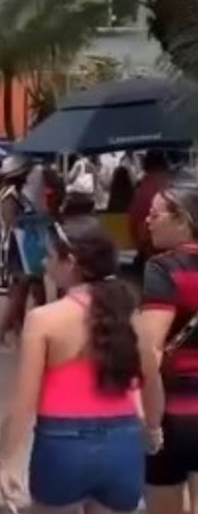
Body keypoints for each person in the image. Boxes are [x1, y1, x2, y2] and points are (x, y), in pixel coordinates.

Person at [0, 217, 164, 514]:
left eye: (49, 256)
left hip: (63, 446)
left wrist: (4, 459)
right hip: (123, 445)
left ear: (70, 262)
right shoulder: (131, 317)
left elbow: (23, 402)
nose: (45, 264)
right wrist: (152, 429)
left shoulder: (44, 320)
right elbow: (151, 381)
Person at [138, 178, 198, 514]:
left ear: (183, 219)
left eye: (155, 214)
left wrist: (152, 421)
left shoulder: (164, 268)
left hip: (176, 415)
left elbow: (149, 351)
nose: (147, 221)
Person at [0, 155, 49, 351]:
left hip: (21, 246)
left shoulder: (16, 193)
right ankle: (2, 337)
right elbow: (10, 222)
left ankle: (18, 334)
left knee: (23, 292)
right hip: (18, 246)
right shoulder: (11, 195)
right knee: (17, 294)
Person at [130, 150, 172, 271]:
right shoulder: (173, 186)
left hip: (151, 252)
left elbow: (135, 221)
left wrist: (141, 247)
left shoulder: (143, 189)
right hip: (173, 251)